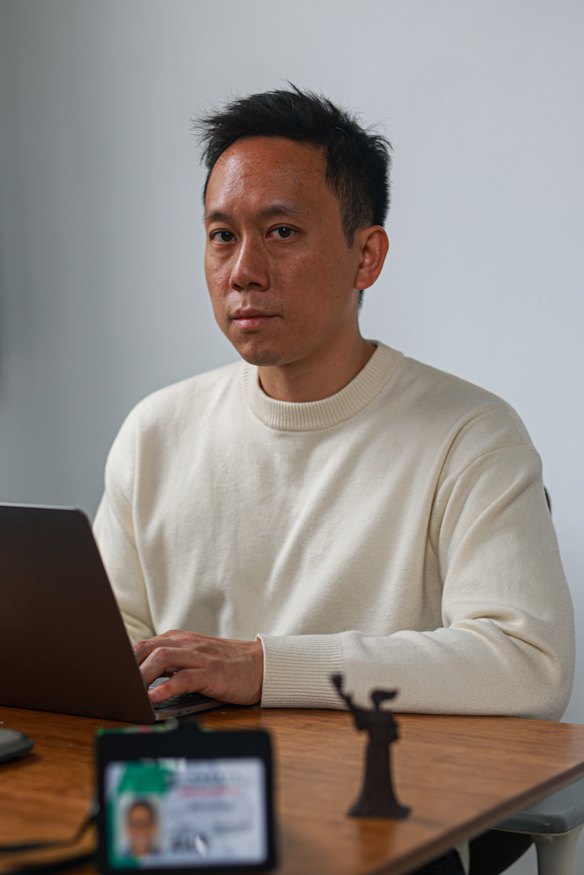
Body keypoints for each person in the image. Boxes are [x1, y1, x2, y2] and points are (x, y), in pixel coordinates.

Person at [94, 87, 574, 875]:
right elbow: (110, 654)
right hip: (184, 811)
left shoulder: (470, 433)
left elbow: (527, 662)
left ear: (366, 255)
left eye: (281, 231)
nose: (244, 270)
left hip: (376, 820)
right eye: (222, 235)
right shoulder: (156, 429)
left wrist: (261, 666)